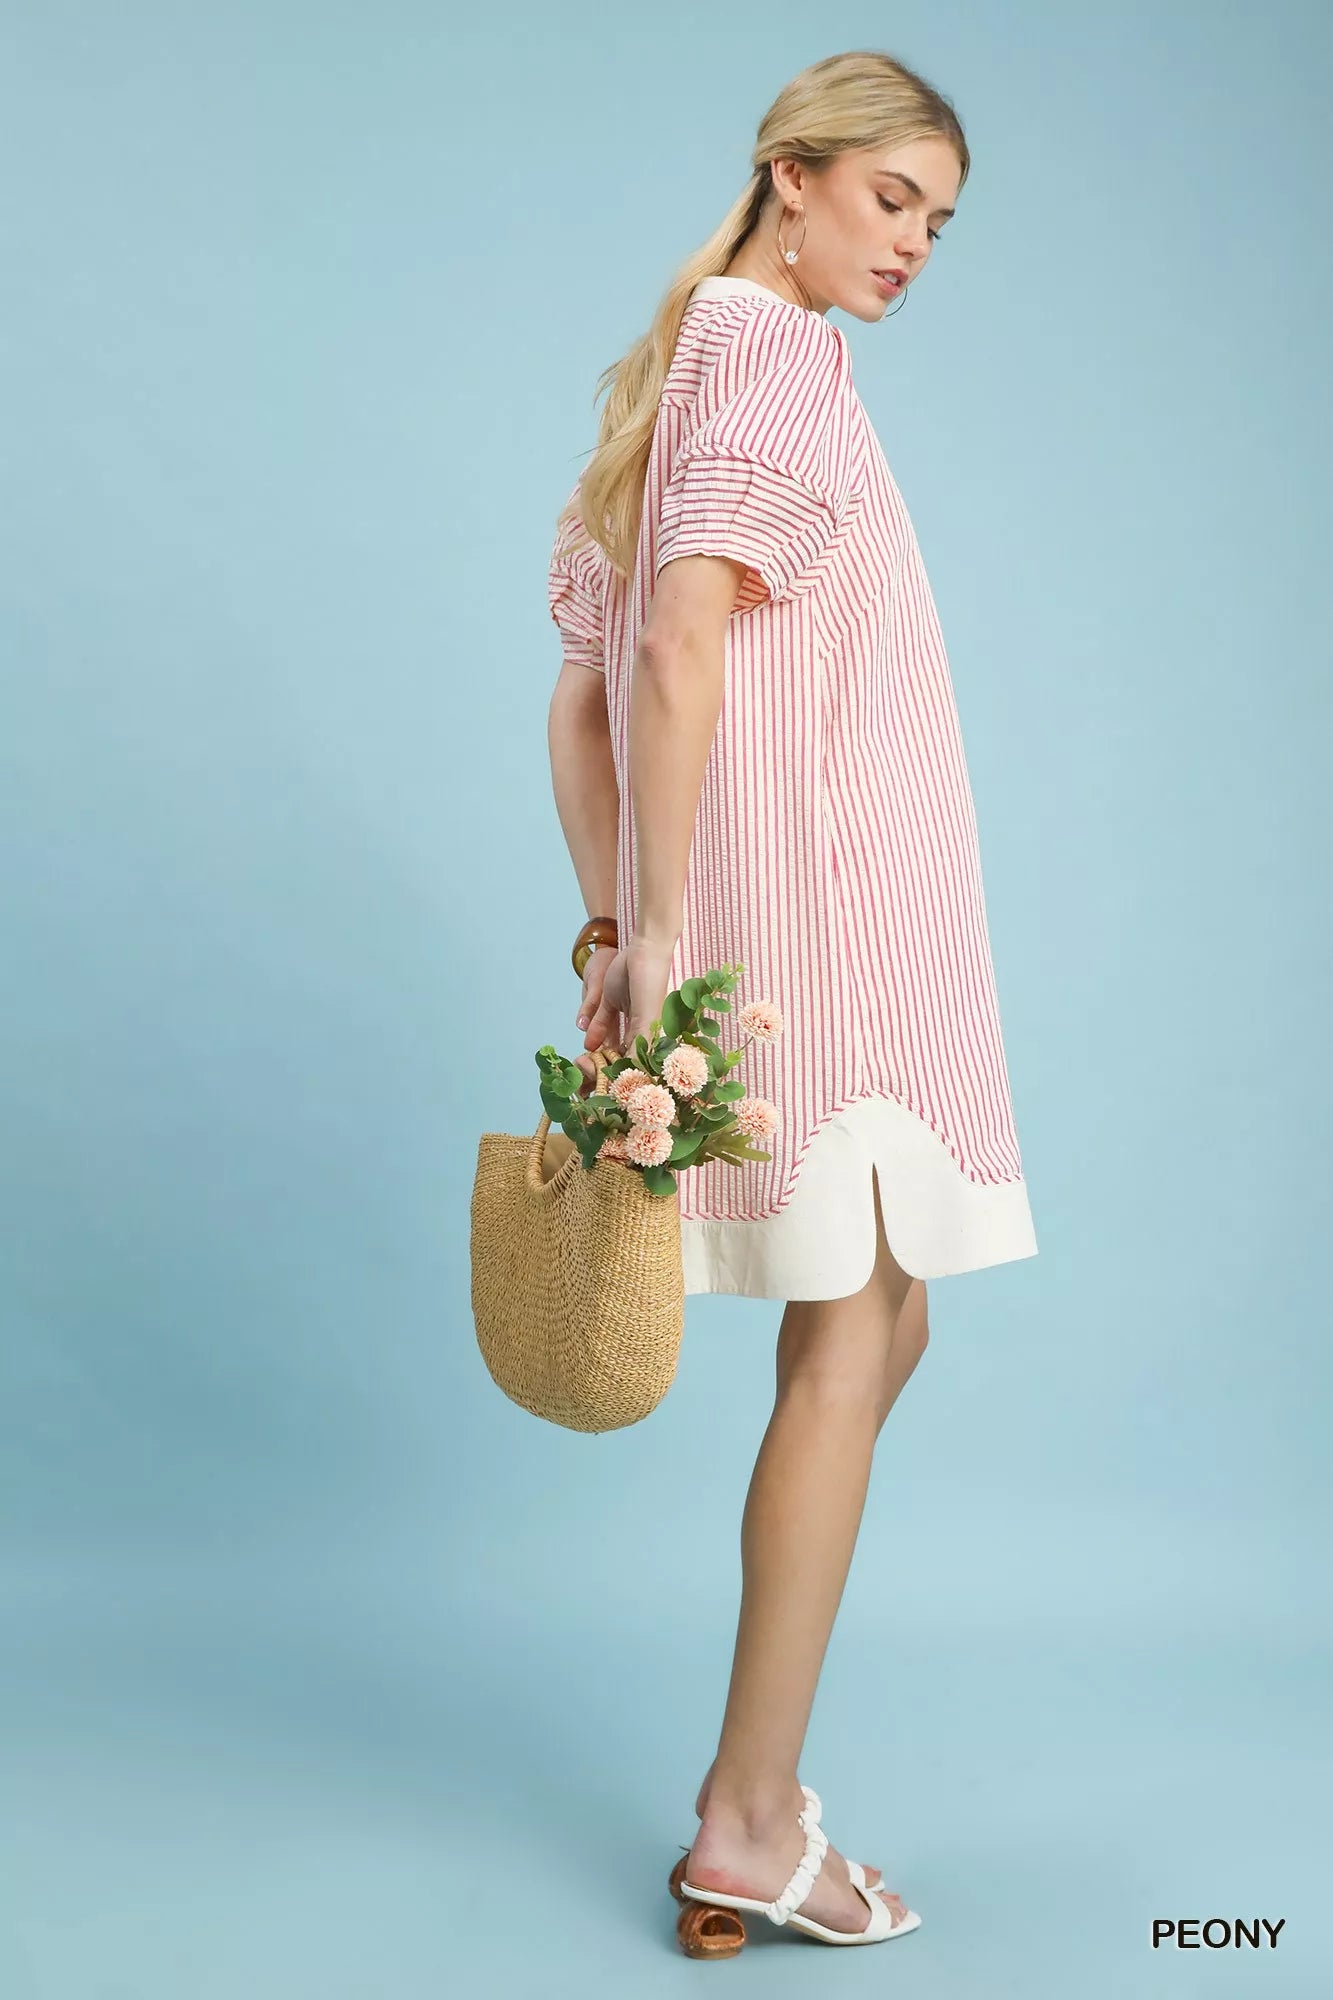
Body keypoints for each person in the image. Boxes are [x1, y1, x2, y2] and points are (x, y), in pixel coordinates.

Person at [544, 49, 1037, 1953]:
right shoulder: (775, 363)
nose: (911, 244)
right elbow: (670, 648)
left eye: (938, 222)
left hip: (780, 920)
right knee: (856, 1330)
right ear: (791, 174)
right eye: (891, 197)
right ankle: (750, 1818)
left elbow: (580, 701)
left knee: (879, 1320)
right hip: (831, 923)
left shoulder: (672, 374)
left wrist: (618, 927)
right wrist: (663, 931)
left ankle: (753, 1792)